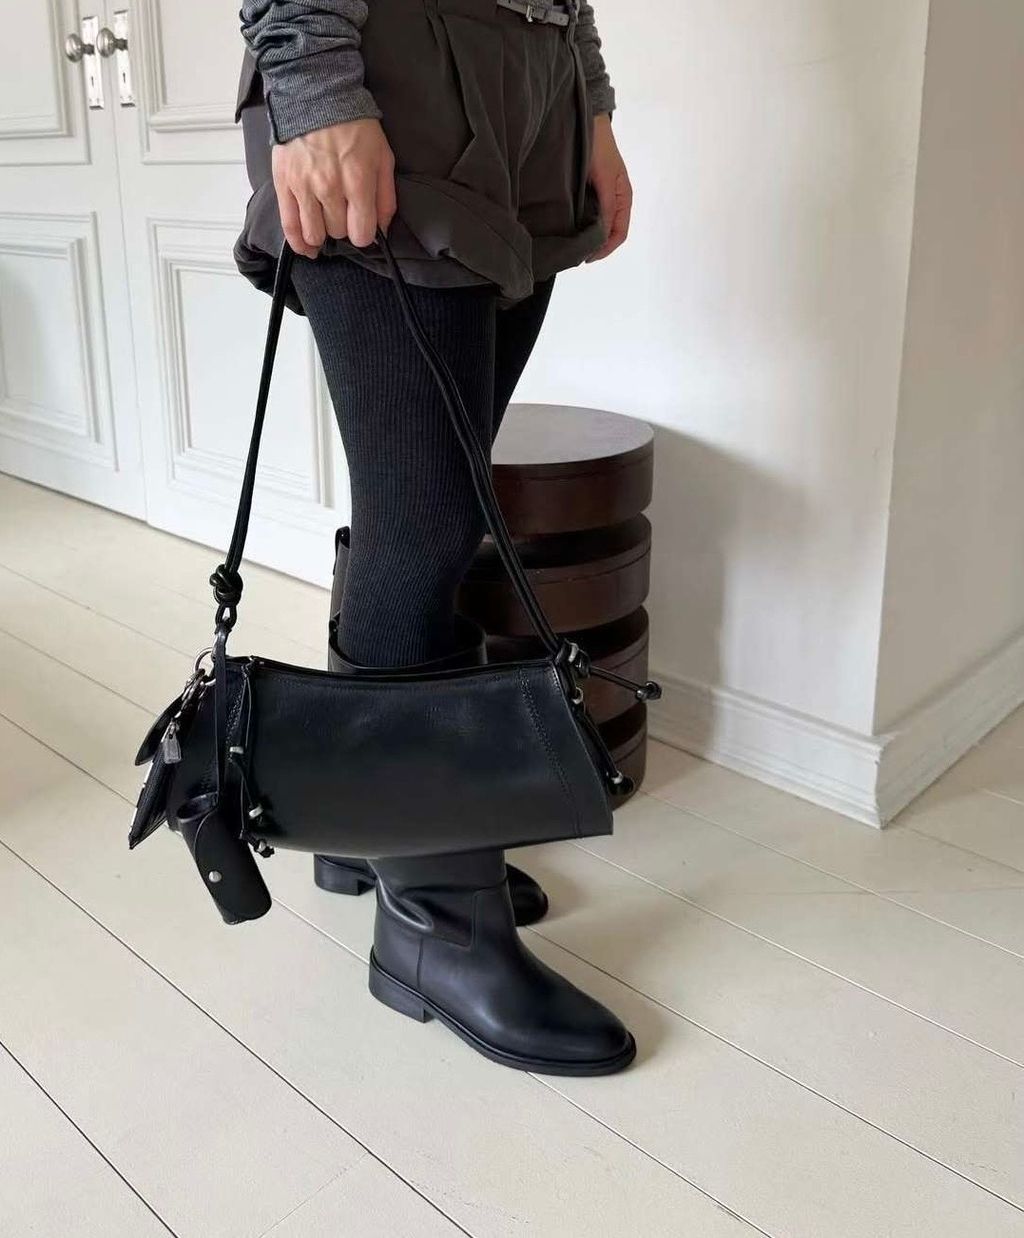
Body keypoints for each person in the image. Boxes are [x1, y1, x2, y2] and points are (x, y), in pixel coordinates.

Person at [235, 0, 636, 1076]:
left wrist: (589, 104)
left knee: (428, 507)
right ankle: (435, 931)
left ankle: (369, 820)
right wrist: (314, 80)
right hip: (389, 66)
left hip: (531, 95)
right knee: (425, 523)